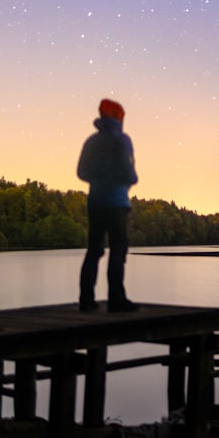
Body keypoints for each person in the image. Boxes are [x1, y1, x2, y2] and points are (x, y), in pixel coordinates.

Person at [77, 98, 140, 312]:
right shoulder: (122, 140)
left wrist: (99, 178)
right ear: (118, 117)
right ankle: (116, 299)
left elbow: (81, 172)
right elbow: (128, 171)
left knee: (94, 250)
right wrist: (130, 179)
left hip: (95, 202)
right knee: (118, 249)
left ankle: (86, 300)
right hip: (117, 203)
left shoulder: (91, 141)